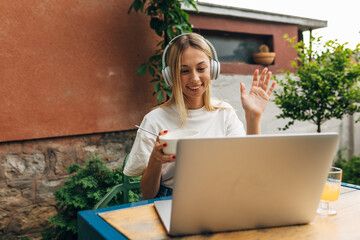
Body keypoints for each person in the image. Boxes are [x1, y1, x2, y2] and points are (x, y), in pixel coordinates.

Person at [124, 33, 276, 200]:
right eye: (184, 71)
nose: (194, 78)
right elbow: (147, 194)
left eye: (201, 68)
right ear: (170, 75)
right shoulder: (154, 120)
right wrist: (156, 159)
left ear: (213, 69)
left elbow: (249, 169)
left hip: (220, 196)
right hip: (170, 199)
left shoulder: (225, 113)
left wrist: (253, 117)